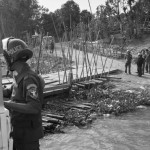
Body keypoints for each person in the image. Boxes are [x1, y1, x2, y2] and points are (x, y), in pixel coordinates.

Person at [2, 37, 44, 150]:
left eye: (5, 57)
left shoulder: (28, 78)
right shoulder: (19, 75)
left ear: (11, 57)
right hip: (19, 132)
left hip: (28, 136)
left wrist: (5, 104)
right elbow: (12, 92)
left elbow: (34, 107)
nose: (4, 61)